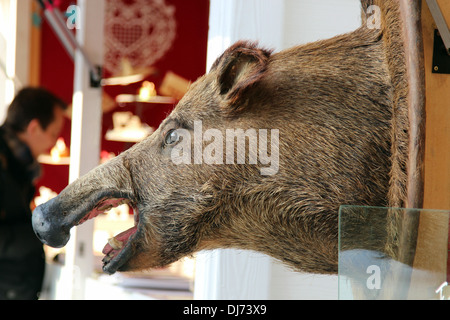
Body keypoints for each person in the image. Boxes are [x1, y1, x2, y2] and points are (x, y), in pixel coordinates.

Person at [0, 87, 67, 300]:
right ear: (34, 127)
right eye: (54, 133)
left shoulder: (16, 164)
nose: (54, 143)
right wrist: (40, 233)